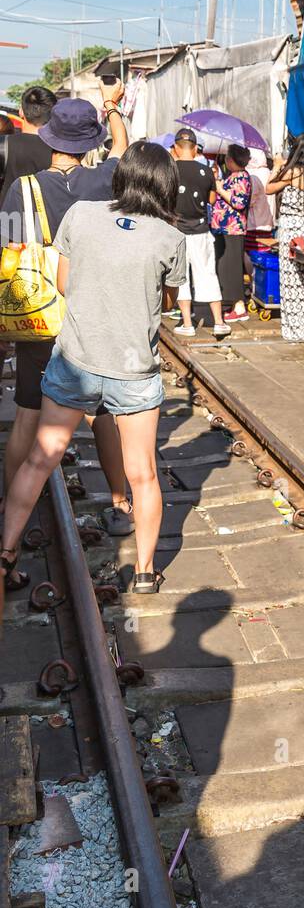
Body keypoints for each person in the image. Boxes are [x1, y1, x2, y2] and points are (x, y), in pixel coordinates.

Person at [0, 142, 186, 598]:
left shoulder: (81, 214)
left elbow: (63, 284)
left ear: (121, 177)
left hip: (75, 362)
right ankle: (144, 572)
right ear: (165, 185)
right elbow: (166, 302)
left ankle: (5, 554)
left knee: (42, 458)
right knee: (142, 472)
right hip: (134, 371)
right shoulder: (170, 237)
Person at [0, 82, 132, 557]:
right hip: (92, 313)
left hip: (41, 319)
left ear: (49, 137)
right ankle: (119, 502)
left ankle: (14, 500)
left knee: (29, 414)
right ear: (88, 143)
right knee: (103, 412)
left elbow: (10, 250)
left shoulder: (25, 188)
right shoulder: (106, 181)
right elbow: (121, 147)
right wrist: (113, 106)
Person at [170, 127, 228, 341]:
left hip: (177, 232)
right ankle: (219, 322)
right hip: (202, 230)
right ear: (195, 149)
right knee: (208, 274)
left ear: (176, 148)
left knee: (180, 277)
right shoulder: (206, 171)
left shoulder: (170, 170)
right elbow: (211, 200)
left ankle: (187, 323)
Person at [268, 134, 304, 343]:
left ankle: (295, 329)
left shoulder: (291, 172)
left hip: (289, 229)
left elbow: (268, 188)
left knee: (291, 280)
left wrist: (277, 165)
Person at [210, 143, 252, 324]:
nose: (226, 160)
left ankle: (239, 306)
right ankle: (232, 303)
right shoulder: (233, 176)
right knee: (225, 268)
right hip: (224, 227)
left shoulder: (242, 177)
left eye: (228, 157)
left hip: (233, 228)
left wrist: (220, 189)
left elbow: (239, 202)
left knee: (233, 269)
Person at [0, 85, 55, 204]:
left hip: (9, 219)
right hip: (49, 221)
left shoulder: (4, 144)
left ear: (21, 112)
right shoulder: (62, 150)